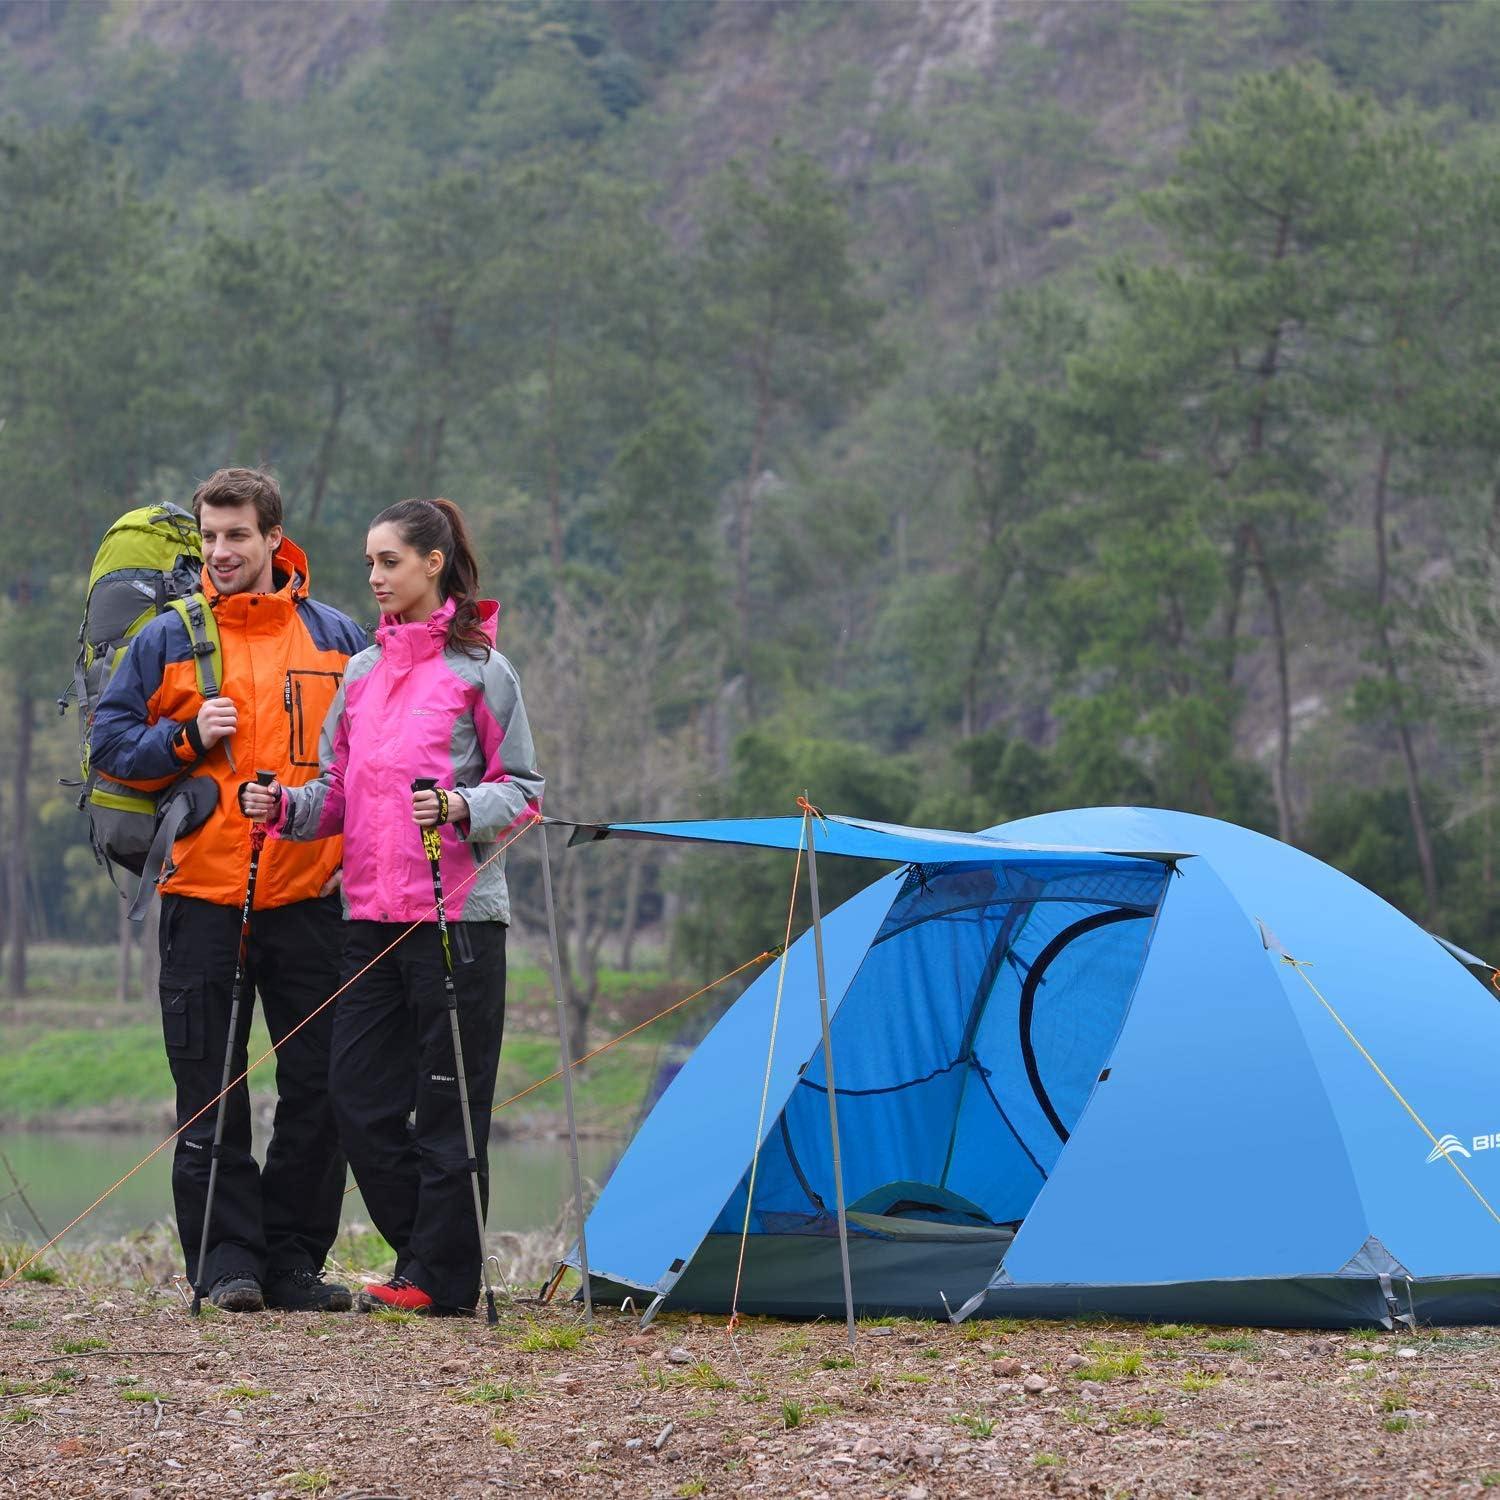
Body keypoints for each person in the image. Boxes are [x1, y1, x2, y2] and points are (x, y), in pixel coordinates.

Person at [240, 497, 543, 1316]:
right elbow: (337, 794)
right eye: (369, 562)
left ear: (432, 564)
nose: (373, 577)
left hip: (458, 919)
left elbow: (523, 793)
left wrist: (456, 808)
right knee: (358, 1101)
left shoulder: (484, 671)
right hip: (368, 918)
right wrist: (285, 810)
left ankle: (437, 1280)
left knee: (449, 1105)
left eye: (389, 562)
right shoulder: (364, 674)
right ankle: (440, 1258)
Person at [90, 467, 368, 1312]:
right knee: (210, 1088)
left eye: (237, 535)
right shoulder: (167, 637)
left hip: (310, 902)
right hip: (202, 902)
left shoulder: (340, 638)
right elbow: (109, 743)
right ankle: (226, 1266)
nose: (221, 552)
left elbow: (371, 754)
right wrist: (182, 738)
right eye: (210, 537)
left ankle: (291, 1264)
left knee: (320, 1091)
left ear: (275, 539)